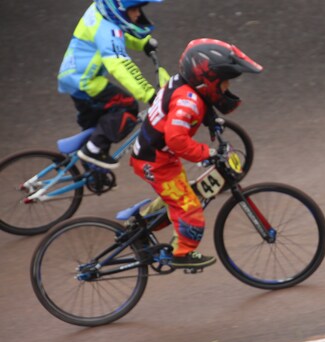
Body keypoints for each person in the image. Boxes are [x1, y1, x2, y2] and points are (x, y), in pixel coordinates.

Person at [130, 38, 263, 268]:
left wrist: (211, 120)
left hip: (159, 156)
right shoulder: (187, 102)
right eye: (224, 83)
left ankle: (137, 228)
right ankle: (181, 254)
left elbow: (197, 104)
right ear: (207, 81)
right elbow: (176, 139)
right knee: (189, 207)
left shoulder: (186, 86)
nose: (227, 88)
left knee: (181, 193)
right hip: (155, 162)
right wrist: (207, 153)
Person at [57, 0, 165, 169]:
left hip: (73, 76)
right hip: (86, 82)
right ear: (118, 9)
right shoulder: (108, 31)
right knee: (127, 106)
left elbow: (120, 34)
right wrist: (149, 94)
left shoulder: (100, 12)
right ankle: (92, 151)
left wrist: (142, 43)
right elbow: (120, 65)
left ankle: (92, 170)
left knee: (100, 125)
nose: (138, 14)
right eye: (134, 9)